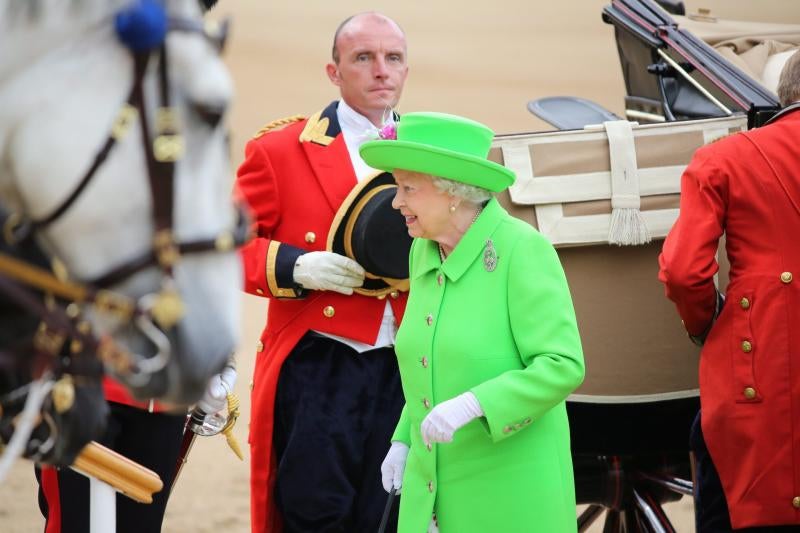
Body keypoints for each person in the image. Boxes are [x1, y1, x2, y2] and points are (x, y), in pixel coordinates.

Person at [360, 112, 585, 532]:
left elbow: (562, 364)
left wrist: (476, 403)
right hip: (434, 487)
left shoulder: (523, 251)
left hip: (510, 493)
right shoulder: (424, 252)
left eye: (408, 188)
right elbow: (427, 364)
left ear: (453, 193)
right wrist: (403, 438)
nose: (396, 202)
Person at [235, 12, 410, 533]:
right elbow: (222, 247)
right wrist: (295, 265)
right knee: (313, 514)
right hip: (319, 363)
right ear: (334, 72)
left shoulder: (434, 153)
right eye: (363, 58)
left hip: (408, 361)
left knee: (391, 516)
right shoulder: (279, 150)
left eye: (393, 58)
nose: (381, 71)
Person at [658, 50, 800, 532]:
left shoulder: (725, 158)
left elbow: (683, 272)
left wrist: (706, 324)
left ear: (783, 94)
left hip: (754, 382)